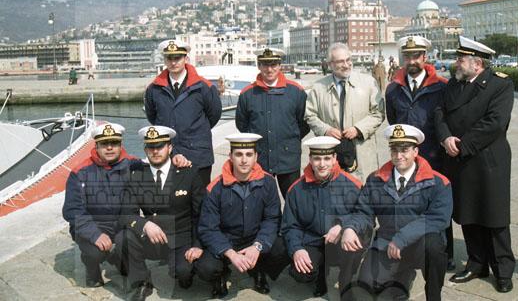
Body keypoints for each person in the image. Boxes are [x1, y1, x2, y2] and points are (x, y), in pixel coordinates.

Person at [434, 36, 515, 293]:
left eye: (461, 59)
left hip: (488, 160)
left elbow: (495, 122)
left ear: (477, 63)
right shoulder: (453, 84)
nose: (456, 63)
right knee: (468, 213)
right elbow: (440, 112)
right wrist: (446, 138)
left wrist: (463, 144)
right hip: (459, 159)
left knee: (494, 215)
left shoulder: (500, 84)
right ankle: (476, 263)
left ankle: (503, 269)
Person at [341, 124, 452, 301]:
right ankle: (403, 275)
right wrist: (351, 228)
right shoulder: (375, 180)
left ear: (415, 151)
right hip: (387, 242)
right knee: (367, 286)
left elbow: (437, 218)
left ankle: (433, 295)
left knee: (434, 246)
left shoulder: (438, 182)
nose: (399, 156)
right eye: (394, 150)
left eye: (404, 150)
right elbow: (364, 211)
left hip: (419, 244)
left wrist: (402, 238)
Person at [118, 125, 214, 301]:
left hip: (180, 237)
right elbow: (126, 213)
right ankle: (141, 282)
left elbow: (201, 213)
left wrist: (197, 244)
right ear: (145, 150)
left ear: (170, 148)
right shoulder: (137, 175)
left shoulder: (189, 173)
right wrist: (144, 224)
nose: (155, 151)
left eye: (160, 146)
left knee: (183, 272)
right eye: (150, 147)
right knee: (123, 238)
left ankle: (184, 273)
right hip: (152, 238)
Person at [385, 35, 453, 269]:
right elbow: (393, 120)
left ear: (425, 56)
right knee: (407, 202)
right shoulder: (393, 89)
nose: (412, 61)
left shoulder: (441, 87)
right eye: (407, 56)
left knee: (438, 204)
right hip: (405, 158)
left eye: (416, 55)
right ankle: (409, 250)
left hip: (434, 156)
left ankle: (444, 253)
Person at [199, 133, 289, 298]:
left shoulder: (268, 182)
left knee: (283, 248)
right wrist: (230, 252)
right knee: (206, 268)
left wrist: (258, 245)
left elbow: (272, 219)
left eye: (249, 154)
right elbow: (208, 228)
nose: (244, 160)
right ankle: (221, 274)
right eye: (239, 154)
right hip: (227, 240)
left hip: (255, 237)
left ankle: (259, 269)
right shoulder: (215, 188)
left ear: (256, 157)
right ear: (230, 156)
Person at [282, 136, 364, 299]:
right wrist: (297, 249)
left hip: (341, 241)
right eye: (317, 158)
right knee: (301, 272)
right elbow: (290, 226)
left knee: (357, 238)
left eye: (327, 158)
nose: (322, 164)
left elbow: (364, 215)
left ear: (334, 158)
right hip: (312, 241)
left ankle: (345, 281)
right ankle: (320, 275)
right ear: (310, 159)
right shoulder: (296, 190)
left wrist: (343, 226)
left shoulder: (352, 185)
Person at [62, 123, 135, 287]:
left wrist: (177, 159)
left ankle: (119, 258)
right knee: (94, 253)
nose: (109, 148)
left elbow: (159, 165)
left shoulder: (133, 165)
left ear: (121, 145)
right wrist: (95, 234)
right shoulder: (80, 172)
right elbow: (72, 210)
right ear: (96, 146)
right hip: (94, 224)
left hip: (121, 224)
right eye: (104, 144)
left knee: (133, 244)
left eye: (114, 143)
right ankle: (92, 269)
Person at [144, 39, 222, 182]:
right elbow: (152, 116)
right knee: (170, 195)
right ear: (164, 60)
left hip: (198, 155)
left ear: (186, 58)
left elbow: (214, 115)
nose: (173, 62)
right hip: (167, 156)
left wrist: (195, 131)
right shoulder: (154, 89)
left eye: (177, 58)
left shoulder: (204, 87)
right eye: (169, 58)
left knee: (200, 195)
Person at [236, 47, 309, 198]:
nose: (269, 69)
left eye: (273, 64)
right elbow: (242, 124)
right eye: (265, 64)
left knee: (293, 201)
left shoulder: (296, 91)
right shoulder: (247, 93)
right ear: (259, 66)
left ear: (280, 65)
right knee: (259, 202)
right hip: (260, 159)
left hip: (288, 158)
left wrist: (289, 138)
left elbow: (305, 123)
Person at [305, 42, 384, 179]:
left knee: (362, 187)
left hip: (361, 153)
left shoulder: (368, 83)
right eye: (341, 61)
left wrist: (358, 129)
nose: (346, 65)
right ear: (330, 64)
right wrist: (325, 130)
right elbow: (310, 115)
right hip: (330, 154)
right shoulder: (318, 87)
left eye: (348, 60)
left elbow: (378, 113)